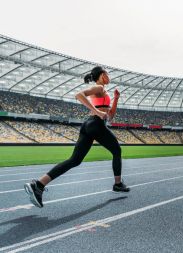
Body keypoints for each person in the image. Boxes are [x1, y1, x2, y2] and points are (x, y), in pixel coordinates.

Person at [24, 66, 129, 208]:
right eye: (108, 74)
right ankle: (118, 184)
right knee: (117, 151)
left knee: (74, 160)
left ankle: (39, 184)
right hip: (95, 124)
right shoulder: (99, 88)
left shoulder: (104, 92)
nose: (109, 77)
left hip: (89, 125)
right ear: (103, 75)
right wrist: (97, 111)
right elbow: (79, 95)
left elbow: (110, 116)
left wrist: (116, 99)